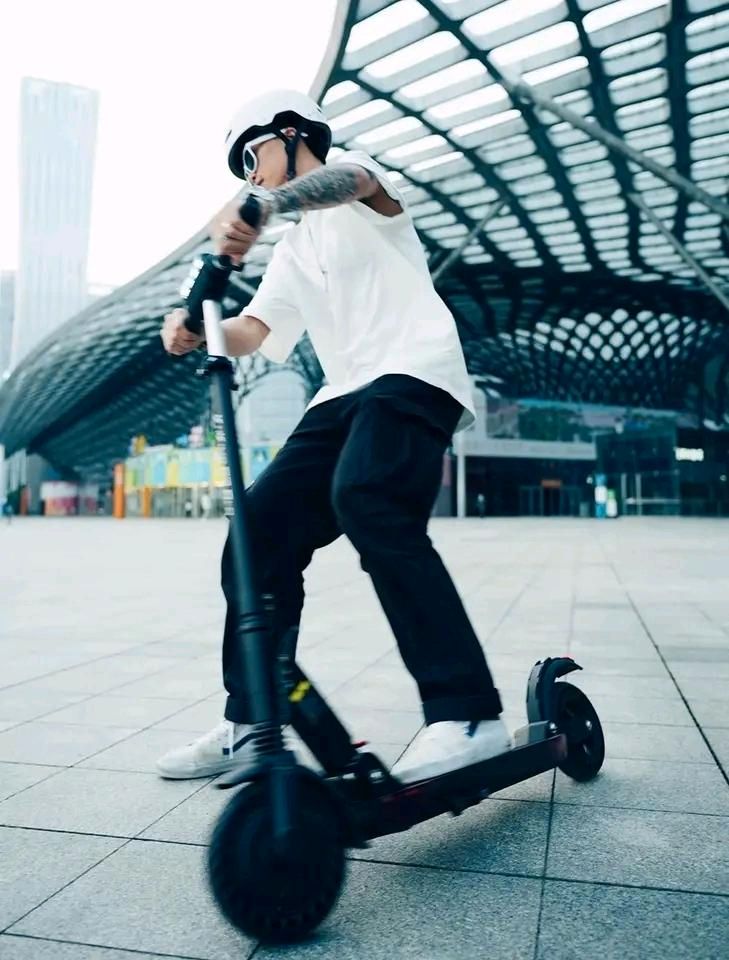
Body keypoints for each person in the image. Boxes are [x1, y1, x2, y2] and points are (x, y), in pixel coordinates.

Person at [157, 90, 508, 783]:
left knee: (368, 500)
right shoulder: (292, 252)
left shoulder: (356, 181)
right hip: (342, 392)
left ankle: (468, 714)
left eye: (251, 157)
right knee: (255, 532)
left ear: (289, 134)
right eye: (242, 172)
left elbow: (350, 182)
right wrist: (197, 331)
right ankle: (252, 720)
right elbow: (258, 329)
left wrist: (264, 208)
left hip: (412, 371)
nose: (249, 177)